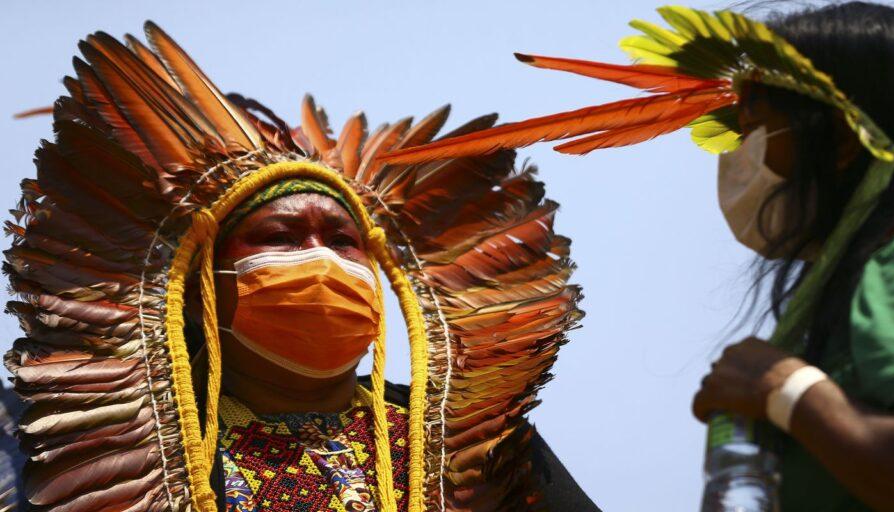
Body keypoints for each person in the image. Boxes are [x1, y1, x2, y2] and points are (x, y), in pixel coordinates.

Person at [381, 3, 894, 510]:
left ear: (840, 143)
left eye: (753, 126)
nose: (735, 152)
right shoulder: (869, 276)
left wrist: (786, 391)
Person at [0, 22, 598, 512]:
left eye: (343, 239)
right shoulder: (53, 433)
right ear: (197, 281)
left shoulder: (474, 446)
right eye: (280, 238)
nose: (322, 260)